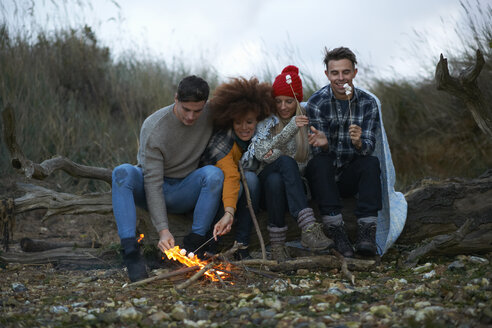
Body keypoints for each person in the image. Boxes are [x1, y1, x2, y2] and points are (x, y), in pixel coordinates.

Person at [111, 75, 228, 282]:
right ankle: (130, 252)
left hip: (185, 189)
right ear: (176, 99)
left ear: (205, 105)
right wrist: (163, 231)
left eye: (197, 111)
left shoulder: (211, 112)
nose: (191, 117)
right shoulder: (154, 126)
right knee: (122, 172)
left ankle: (195, 246)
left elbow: (245, 105)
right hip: (152, 188)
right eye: (186, 109)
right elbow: (152, 184)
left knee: (214, 175)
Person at [305, 47, 383, 258]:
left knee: (371, 163)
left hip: (351, 176)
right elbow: (317, 153)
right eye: (335, 73)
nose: (341, 78)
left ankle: (367, 233)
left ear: (354, 73)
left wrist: (359, 143)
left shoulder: (368, 103)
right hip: (326, 178)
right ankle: (336, 230)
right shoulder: (316, 102)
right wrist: (324, 144)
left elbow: (368, 147)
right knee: (319, 163)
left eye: (346, 72)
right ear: (327, 75)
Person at [251, 65, 333, 261]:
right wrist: (289, 130)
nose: (283, 107)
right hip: (264, 186)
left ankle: (278, 246)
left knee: (277, 180)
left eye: (289, 101)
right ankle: (308, 228)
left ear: (297, 100)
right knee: (281, 166)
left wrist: (324, 145)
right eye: (278, 101)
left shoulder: (307, 121)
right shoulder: (266, 121)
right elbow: (264, 155)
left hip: (293, 187)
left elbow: (310, 162)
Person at [200, 77, 272, 259]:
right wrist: (229, 213)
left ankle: (242, 246)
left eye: (249, 122)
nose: (244, 128)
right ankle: (214, 243)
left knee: (253, 180)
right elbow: (231, 177)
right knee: (247, 182)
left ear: (258, 119)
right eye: (238, 122)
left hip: (251, 193)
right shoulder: (224, 143)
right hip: (220, 193)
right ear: (230, 120)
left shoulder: (263, 135)